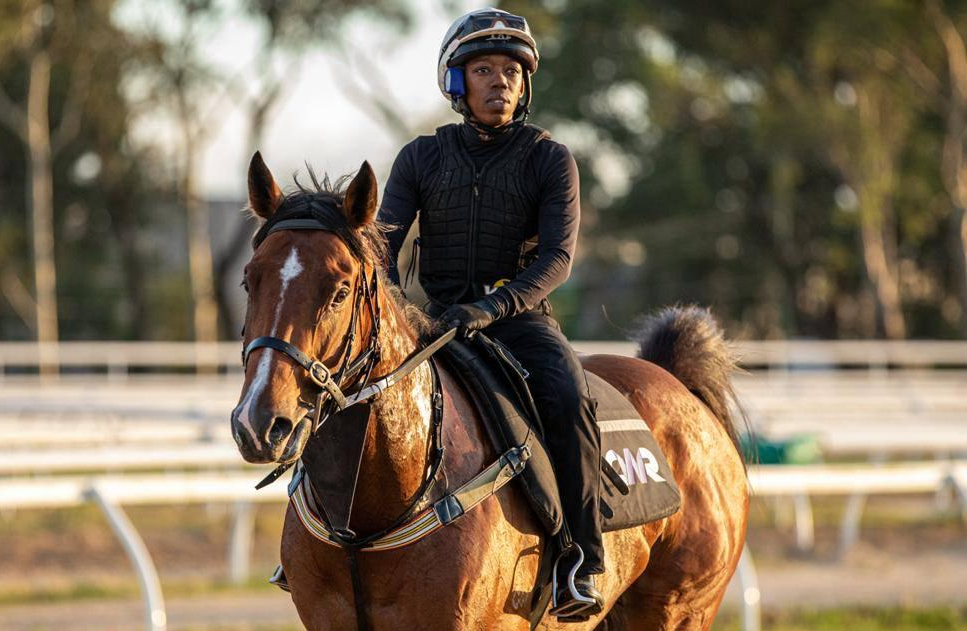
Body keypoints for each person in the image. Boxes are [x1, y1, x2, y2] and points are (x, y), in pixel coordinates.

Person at [377, 8, 604, 618]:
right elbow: (380, 247)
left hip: (521, 323)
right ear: (457, 82)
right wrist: (388, 307)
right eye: (484, 69)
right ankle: (311, 542)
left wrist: (492, 306)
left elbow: (557, 259)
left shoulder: (550, 159)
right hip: (435, 324)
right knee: (351, 389)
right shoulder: (418, 158)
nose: (500, 81)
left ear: (525, 85)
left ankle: (580, 560)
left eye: (511, 70)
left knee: (568, 395)